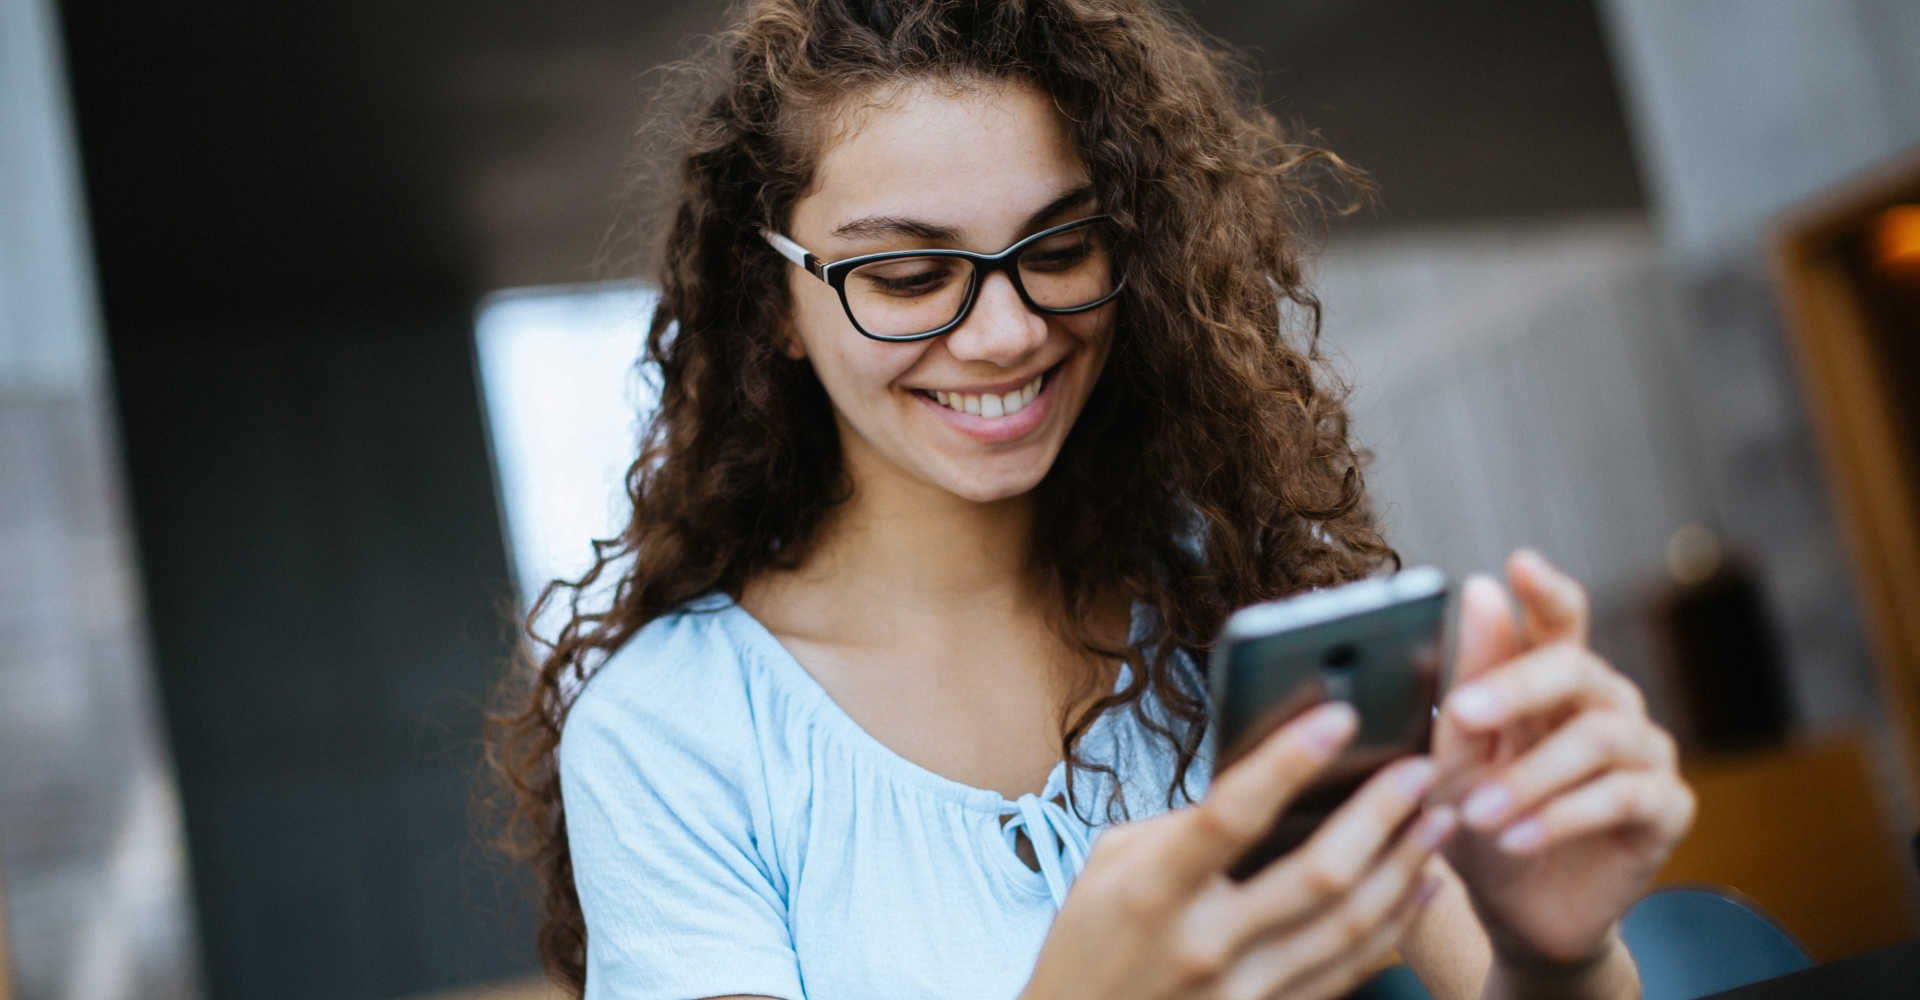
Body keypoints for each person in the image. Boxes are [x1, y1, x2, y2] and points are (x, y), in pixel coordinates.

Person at [486, 1, 1696, 997]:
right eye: (909, 274)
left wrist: (1555, 946)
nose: (1009, 333)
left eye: (1061, 250)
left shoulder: (1236, 604)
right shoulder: (674, 736)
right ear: (770, 305)